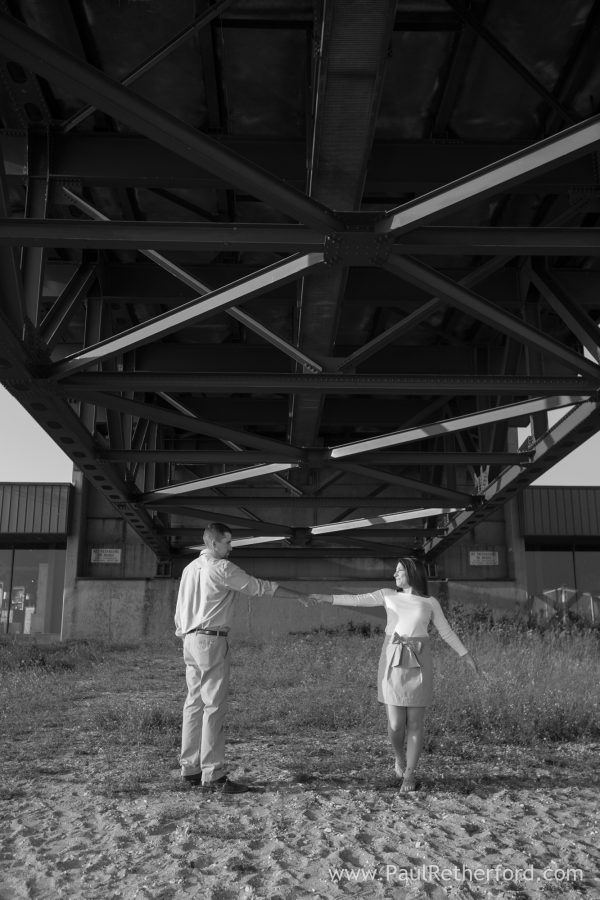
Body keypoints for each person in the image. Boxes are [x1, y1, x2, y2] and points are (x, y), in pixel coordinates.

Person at [309, 557, 482, 792]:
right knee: (395, 723)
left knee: (416, 723)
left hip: (420, 661)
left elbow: (446, 632)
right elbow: (357, 600)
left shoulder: (430, 602)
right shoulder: (387, 595)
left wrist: (468, 658)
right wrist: (326, 598)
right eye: (395, 571)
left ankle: (409, 775)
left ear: (413, 572)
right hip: (392, 658)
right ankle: (399, 757)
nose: (395, 574)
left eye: (399, 570)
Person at [175, 521, 308, 794]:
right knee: (213, 706)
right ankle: (213, 774)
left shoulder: (189, 570)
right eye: (227, 542)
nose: (231, 547)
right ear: (213, 544)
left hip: (189, 639)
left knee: (193, 704)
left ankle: (190, 769)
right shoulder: (221, 568)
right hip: (211, 639)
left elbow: (179, 610)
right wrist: (299, 596)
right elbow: (259, 587)